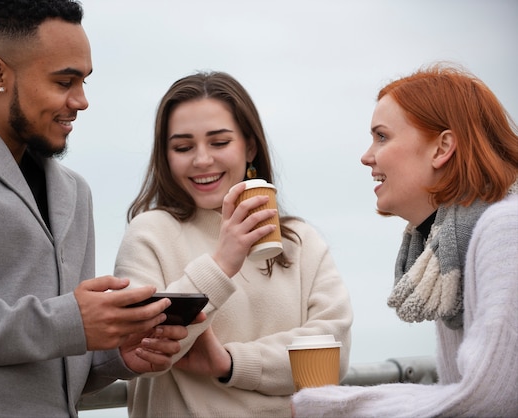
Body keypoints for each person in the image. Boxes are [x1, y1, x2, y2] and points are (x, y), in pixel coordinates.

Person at [0, 1, 195, 416]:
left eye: (84, 81)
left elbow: (56, 348)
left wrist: (117, 356)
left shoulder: (75, 191)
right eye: (64, 81)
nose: (82, 100)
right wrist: (69, 322)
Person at [113, 71, 353, 417]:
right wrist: (222, 263)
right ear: (165, 156)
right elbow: (143, 348)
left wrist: (229, 363)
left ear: (250, 146)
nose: (202, 160)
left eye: (219, 142)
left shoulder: (301, 242)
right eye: (183, 147)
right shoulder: (149, 233)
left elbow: (334, 353)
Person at [292, 64, 518, 417]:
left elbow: (491, 399)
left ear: (442, 148)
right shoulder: (451, 244)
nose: (367, 156)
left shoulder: (505, 228)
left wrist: (330, 407)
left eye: (381, 136)